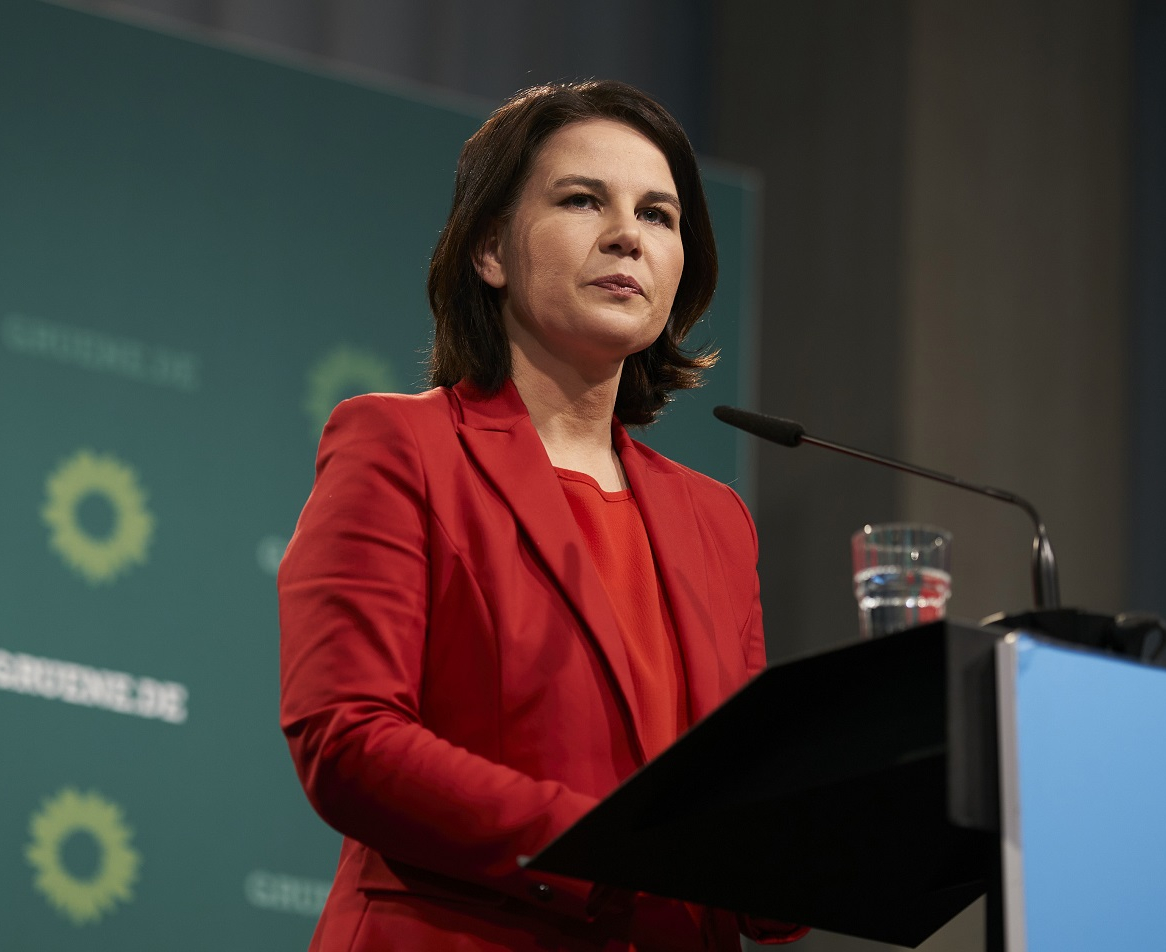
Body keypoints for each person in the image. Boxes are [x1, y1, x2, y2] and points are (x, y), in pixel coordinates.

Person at [279, 80, 804, 952]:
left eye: (659, 215)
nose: (628, 234)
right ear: (490, 248)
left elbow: (736, 802)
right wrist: (606, 850)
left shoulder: (717, 520)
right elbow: (348, 739)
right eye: (581, 199)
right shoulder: (400, 445)